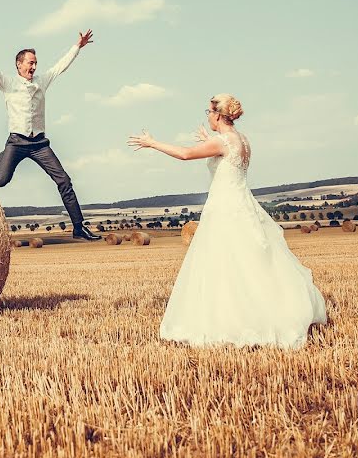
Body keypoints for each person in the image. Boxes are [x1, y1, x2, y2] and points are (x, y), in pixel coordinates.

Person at [127, 94, 327, 348]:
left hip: (224, 207)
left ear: (219, 115)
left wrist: (152, 143)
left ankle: (233, 323)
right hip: (243, 204)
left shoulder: (222, 141)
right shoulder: (241, 139)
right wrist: (208, 141)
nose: (207, 116)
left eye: (209, 112)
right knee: (252, 262)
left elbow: (186, 154)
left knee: (224, 263)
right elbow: (224, 157)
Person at [0, 30, 102, 241]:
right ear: (19, 65)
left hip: (39, 144)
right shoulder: (7, 83)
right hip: (16, 142)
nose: (34, 67)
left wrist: (77, 46)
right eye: (30, 63)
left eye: (35, 63)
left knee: (64, 180)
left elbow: (60, 66)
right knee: (0, 181)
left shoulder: (41, 82)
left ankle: (79, 227)